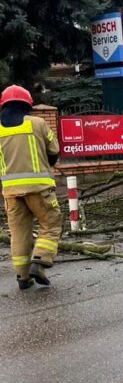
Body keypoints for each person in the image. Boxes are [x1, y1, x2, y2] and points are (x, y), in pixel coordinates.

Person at [0, 85, 62, 290]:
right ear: (27, 104)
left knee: (18, 232)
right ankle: (40, 260)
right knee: (51, 223)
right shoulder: (38, 123)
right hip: (39, 189)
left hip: (10, 192)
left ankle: (22, 277)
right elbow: (54, 151)